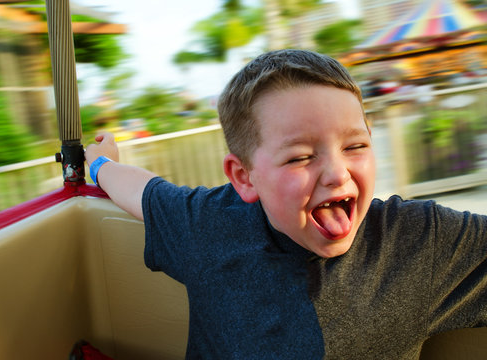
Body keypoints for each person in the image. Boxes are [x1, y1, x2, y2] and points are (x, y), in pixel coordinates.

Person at [85, 49, 487, 359]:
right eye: (299, 157)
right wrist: (102, 163)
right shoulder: (206, 224)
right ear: (243, 176)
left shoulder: (418, 242)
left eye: (356, 146)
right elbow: (146, 191)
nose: (337, 174)